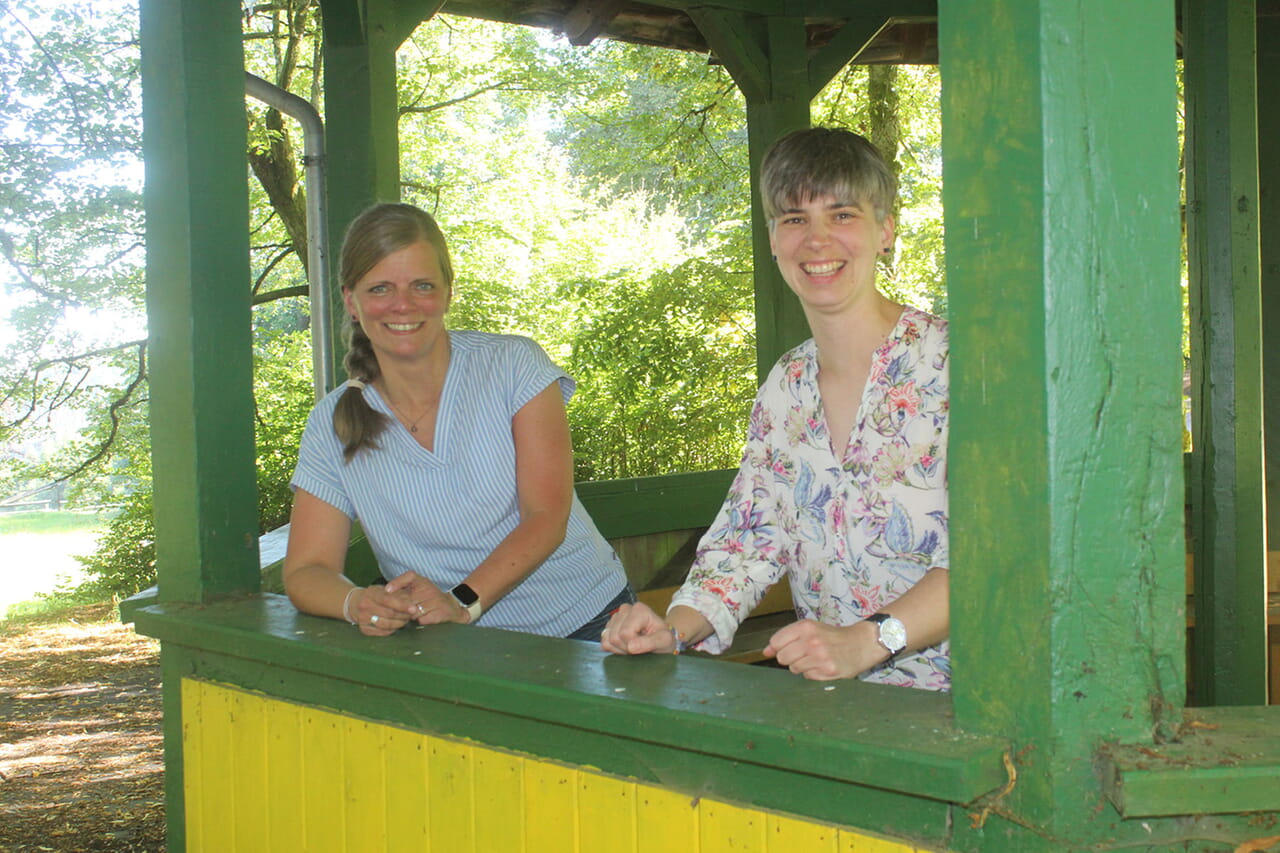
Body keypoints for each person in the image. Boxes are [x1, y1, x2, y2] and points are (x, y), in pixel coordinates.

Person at [601, 128, 950, 689]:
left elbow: (1003, 549)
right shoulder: (787, 384)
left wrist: (871, 638)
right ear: (771, 238)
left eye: (841, 215)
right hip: (842, 711)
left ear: (885, 230)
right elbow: (750, 535)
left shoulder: (957, 366)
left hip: (977, 708)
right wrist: (674, 629)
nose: (816, 240)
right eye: (793, 219)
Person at [283, 202, 631, 641]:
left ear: (449, 292)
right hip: (454, 648)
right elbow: (307, 570)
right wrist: (357, 603)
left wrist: (462, 600)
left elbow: (546, 517)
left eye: (422, 285)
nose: (403, 305)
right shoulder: (329, 424)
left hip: (590, 627)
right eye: (380, 289)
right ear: (351, 302)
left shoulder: (513, 366)